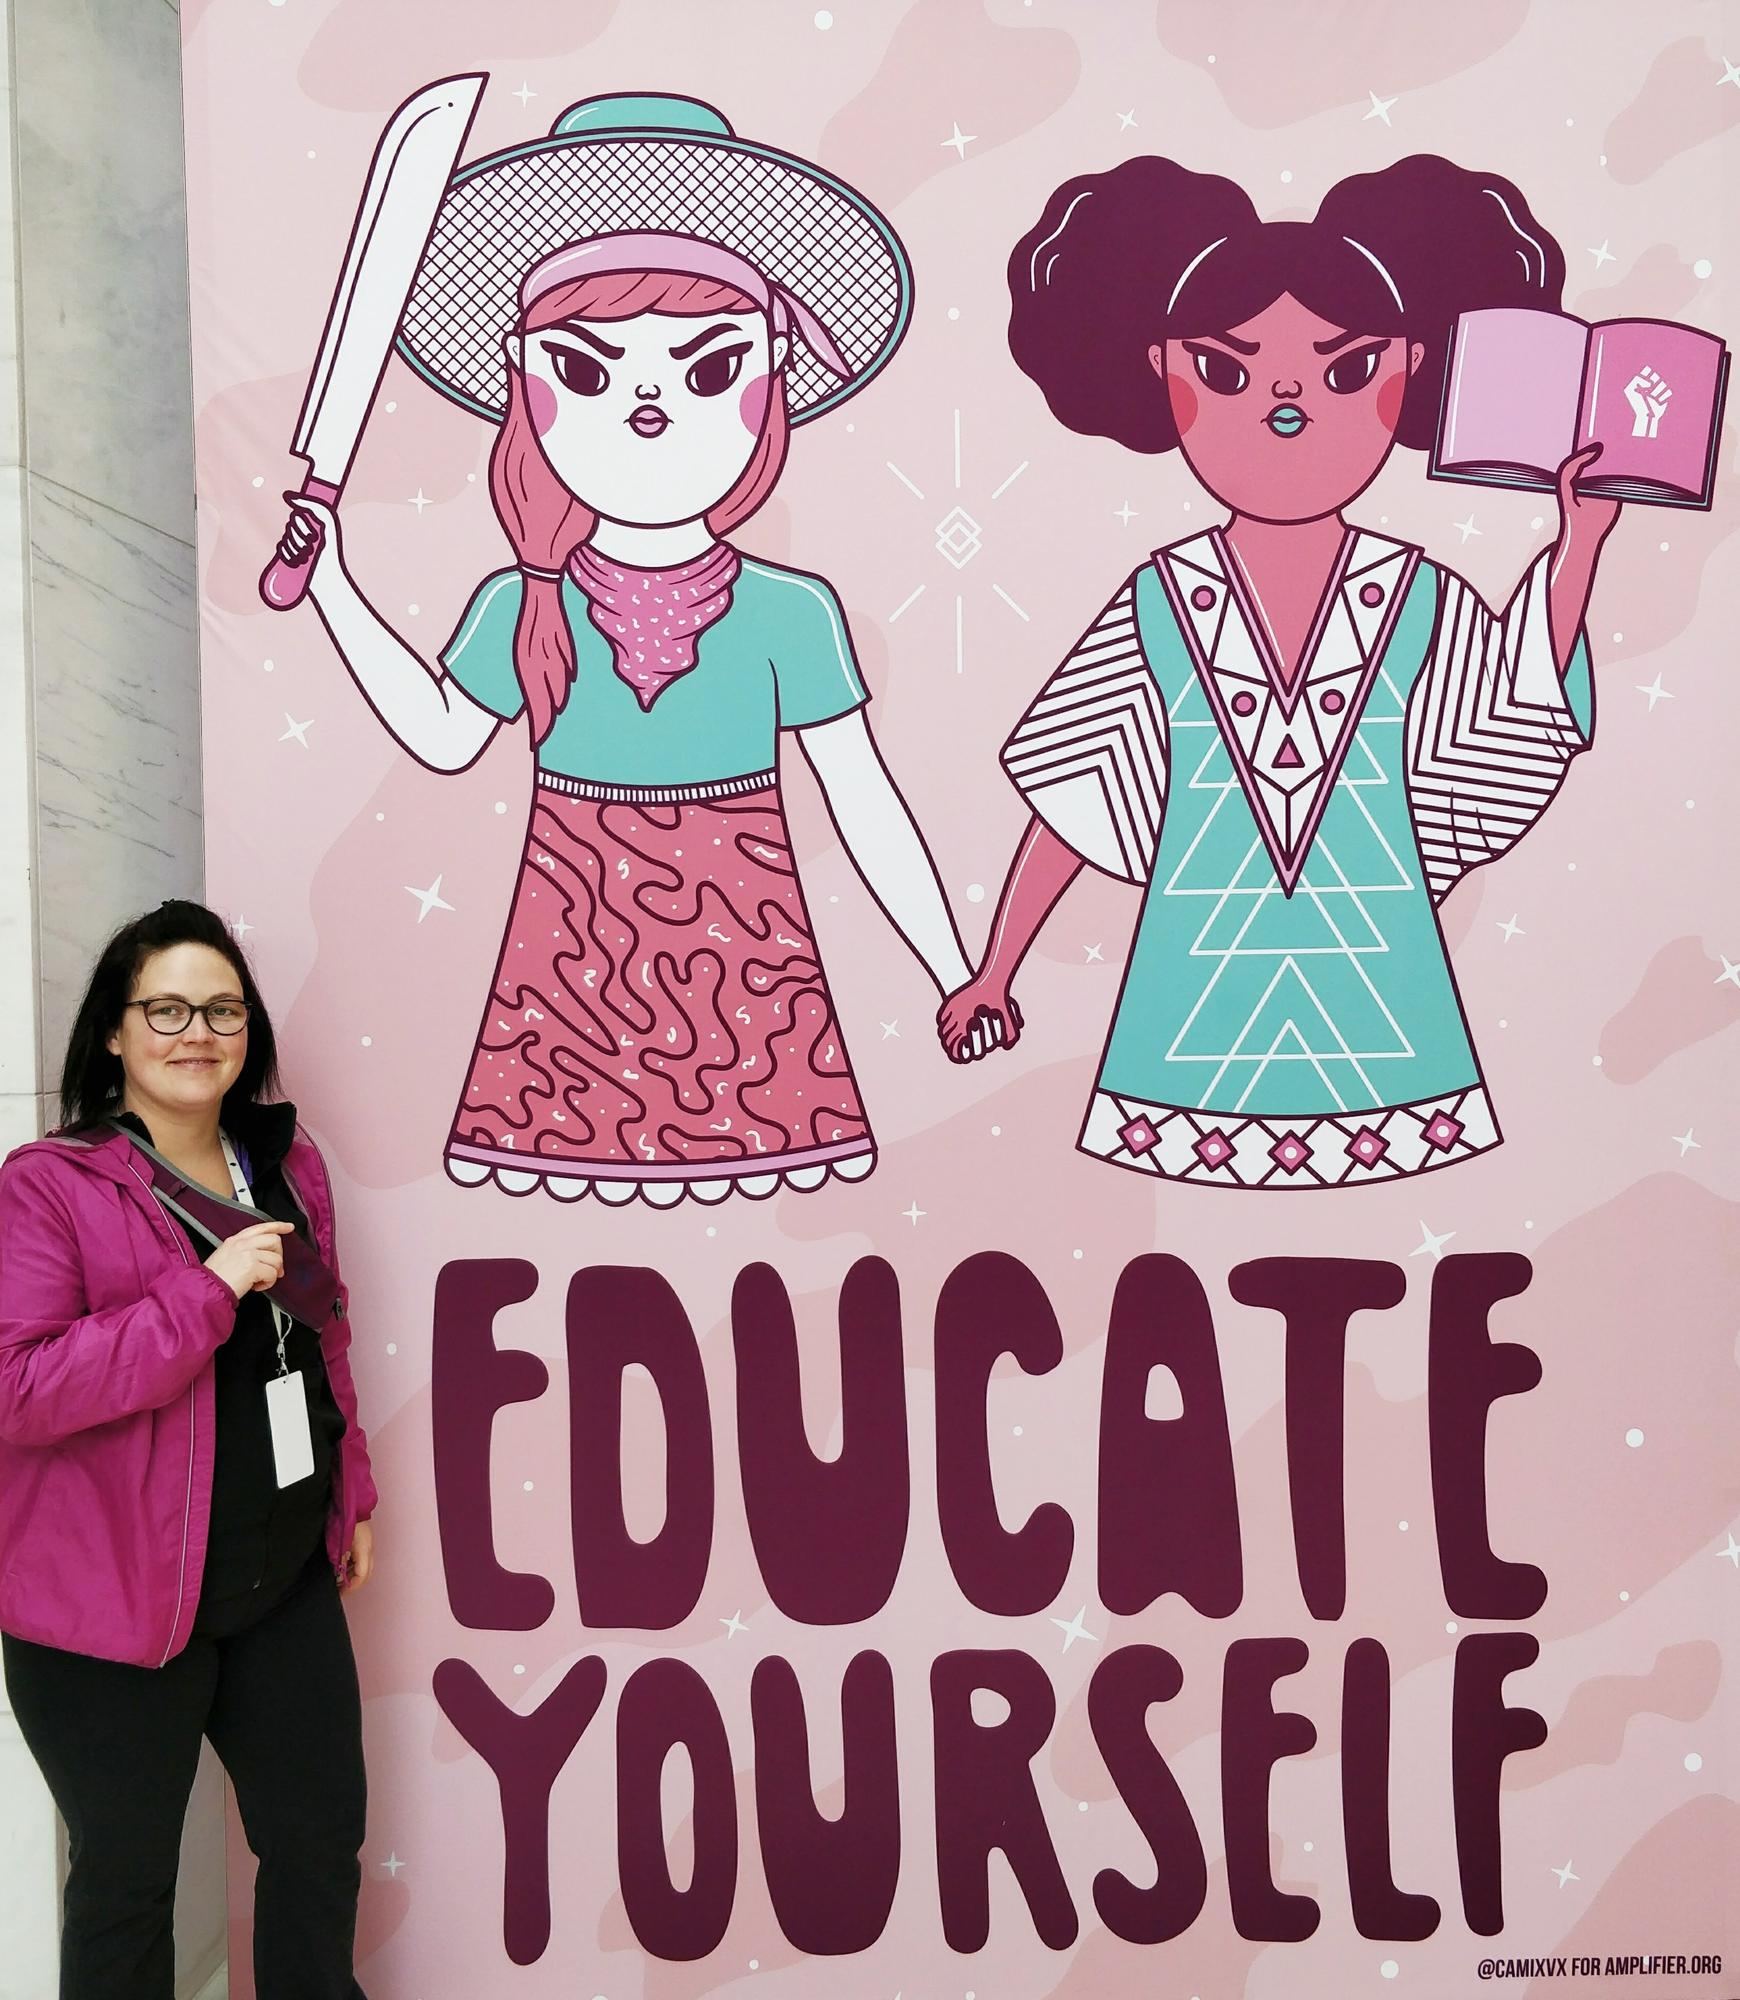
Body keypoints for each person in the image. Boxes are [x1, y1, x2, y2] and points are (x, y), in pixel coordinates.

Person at [278, 91, 993, 1209]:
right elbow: (443, 734)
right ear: (528, 393)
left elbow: (866, 801)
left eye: (708, 369)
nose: (650, 398)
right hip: (569, 972)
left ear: (771, 389)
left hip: (748, 983)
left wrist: (956, 967)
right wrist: (331, 585)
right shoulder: (522, 601)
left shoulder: (790, 611)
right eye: (590, 369)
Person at [939, 153, 1625, 1191]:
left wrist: (1579, 542)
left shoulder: (1420, 594)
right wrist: (996, 970)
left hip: (1386, 1019)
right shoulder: (1162, 598)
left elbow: (1517, 701)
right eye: (1229, 370)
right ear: (1162, 377)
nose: (1288, 401)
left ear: (1409, 378)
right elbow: (1078, 793)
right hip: (1192, 1020)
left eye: (1346, 370)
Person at [0, 899, 378, 1997]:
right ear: (114, 1032)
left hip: (278, 1576)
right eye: (164, 1006)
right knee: (124, 1882)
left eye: (221, 1007)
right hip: (109, 1605)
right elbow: (21, 1389)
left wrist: (348, 1486)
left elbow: (324, 1333)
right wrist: (202, 1290)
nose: (195, 1029)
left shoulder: (283, 1161)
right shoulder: (48, 1184)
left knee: (316, 1848)